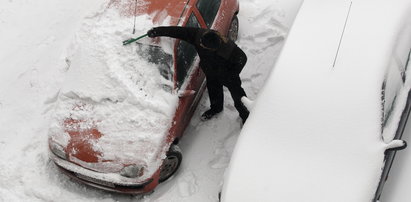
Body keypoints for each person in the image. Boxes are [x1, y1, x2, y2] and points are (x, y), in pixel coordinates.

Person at [147, 26, 249, 123]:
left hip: (228, 74)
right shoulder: (199, 36)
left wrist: (230, 75)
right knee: (214, 90)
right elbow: (178, 31)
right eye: (200, 42)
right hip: (211, 71)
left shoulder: (228, 49)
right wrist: (157, 31)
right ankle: (216, 108)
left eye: (203, 45)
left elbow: (242, 58)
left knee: (238, 95)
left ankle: (246, 116)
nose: (200, 44)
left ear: (212, 49)